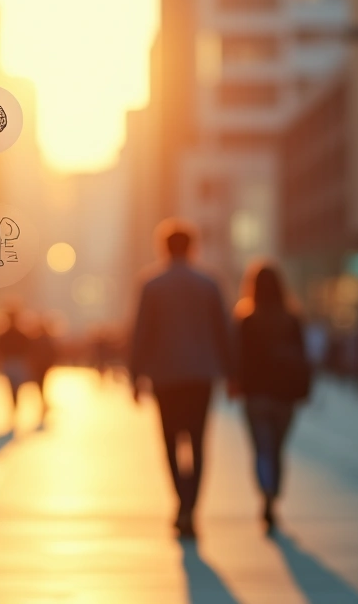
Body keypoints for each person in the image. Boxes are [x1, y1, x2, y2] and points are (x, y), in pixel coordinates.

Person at [129, 220, 233, 538]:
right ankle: (191, 507)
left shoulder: (152, 284)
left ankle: (181, 504)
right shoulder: (209, 283)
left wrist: (135, 375)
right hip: (201, 375)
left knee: (171, 442)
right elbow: (224, 332)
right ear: (192, 247)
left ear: (163, 247)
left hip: (166, 376)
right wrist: (231, 373)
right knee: (198, 442)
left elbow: (140, 333)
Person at [232, 262, 311, 533]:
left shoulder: (247, 321)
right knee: (277, 448)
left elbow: (238, 359)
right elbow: (303, 358)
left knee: (262, 449)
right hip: (284, 396)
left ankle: (266, 494)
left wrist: (235, 384)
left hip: (255, 396)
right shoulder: (292, 320)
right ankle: (274, 494)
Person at [0, 307, 47, 430]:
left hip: (11, 363)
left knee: (14, 388)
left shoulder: (5, 334)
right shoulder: (20, 333)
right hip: (17, 363)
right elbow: (29, 349)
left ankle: (16, 410)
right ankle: (22, 409)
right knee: (19, 388)